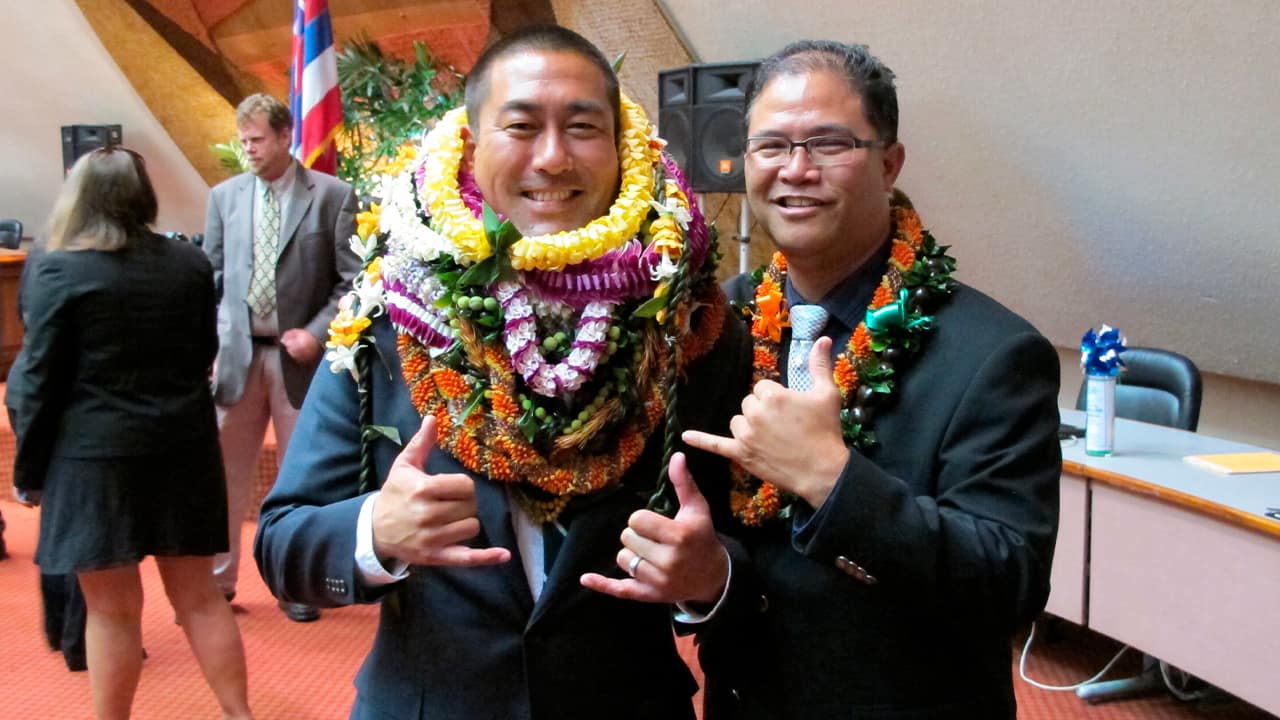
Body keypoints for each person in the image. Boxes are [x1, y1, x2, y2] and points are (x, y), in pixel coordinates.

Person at [254, 25, 749, 720]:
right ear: (471, 142)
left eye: (582, 128)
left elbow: (753, 554)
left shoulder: (688, 322)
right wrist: (375, 532)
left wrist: (711, 577)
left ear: (621, 148)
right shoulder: (390, 320)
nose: (552, 157)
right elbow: (283, 544)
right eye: (521, 126)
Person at [682, 40, 1062, 718]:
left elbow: (1011, 583)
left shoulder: (995, 354)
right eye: (770, 147)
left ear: (889, 164)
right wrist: (703, 582)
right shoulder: (720, 323)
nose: (795, 171)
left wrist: (833, 481)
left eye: (828, 144)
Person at [6, 146, 252, 719]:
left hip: (93, 460)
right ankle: (240, 715)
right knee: (200, 600)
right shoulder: (188, 265)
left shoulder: (55, 267)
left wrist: (29, 471)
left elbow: (38, 378)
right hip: (183, 450)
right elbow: (203, 353)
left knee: (112, 612)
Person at [204, 93, 359, 622]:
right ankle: (216, 585)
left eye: (256, 139)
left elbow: (352, 281)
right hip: (238, 359)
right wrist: (214, 343)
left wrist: (318, 333)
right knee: (223, 475)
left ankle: (296, 582)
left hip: (300, 362)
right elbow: (212, 280)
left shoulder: (333, 196)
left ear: (284, 136)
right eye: (242, 139)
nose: (247, 148)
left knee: (300, 479)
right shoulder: (223, 197)